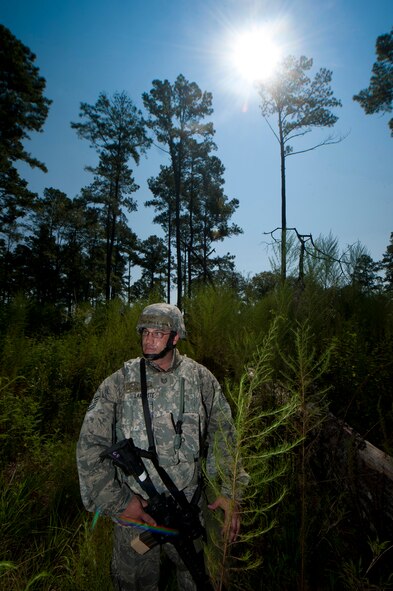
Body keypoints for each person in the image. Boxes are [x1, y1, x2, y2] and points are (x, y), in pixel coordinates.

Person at [76, 303, 247, 591]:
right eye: (145, 332)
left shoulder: (200, 379)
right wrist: (120, 502)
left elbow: (223, 436)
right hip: (139, 514)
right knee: (133, 582)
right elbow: (90, 446)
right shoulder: (120, 381)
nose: (148, 339)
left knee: (199, 578)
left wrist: (231, 494)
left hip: (190, 509)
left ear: (175, 338)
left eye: (158, 332)